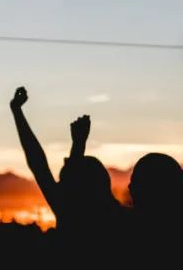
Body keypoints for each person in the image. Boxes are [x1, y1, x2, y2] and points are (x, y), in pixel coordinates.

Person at [9, 87, 121, 236]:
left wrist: (78, 145)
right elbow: (40, 165)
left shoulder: (70, 212)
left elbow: (39, 165)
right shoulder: (123, 220)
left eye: (63, 177)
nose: (60, 182)